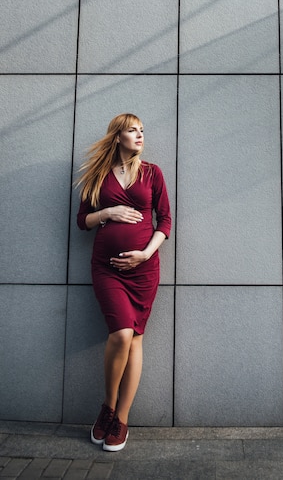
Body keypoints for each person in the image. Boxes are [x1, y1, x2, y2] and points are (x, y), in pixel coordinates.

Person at [75, 113, 171, 452]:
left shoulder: (152, 173)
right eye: (133, 130)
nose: (140, 135)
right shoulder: (99, 176)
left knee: (135, 341)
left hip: (144, 270)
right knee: (121, 333)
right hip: (106, 268)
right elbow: (82, 221)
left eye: (143, 130)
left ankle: (121, 420)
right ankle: (108, 406)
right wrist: (109, 213)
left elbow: (166, 221)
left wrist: (145, 254)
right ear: (117, 136)